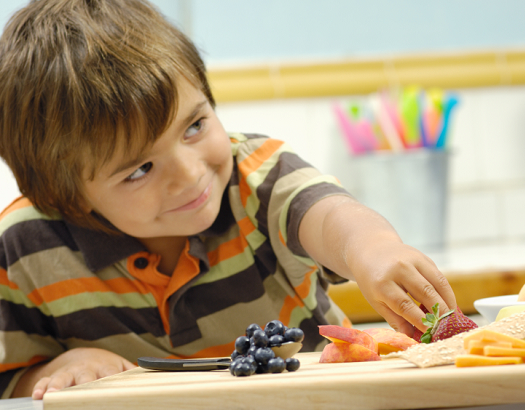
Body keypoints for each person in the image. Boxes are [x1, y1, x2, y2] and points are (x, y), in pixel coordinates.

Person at [0, 0, 457, 400]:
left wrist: (372, 251)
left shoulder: (256, 175)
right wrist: (50, 373)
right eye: (139, 169)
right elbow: (10, 380)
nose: (191, 173)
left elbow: (330, 216)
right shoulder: (23, 245)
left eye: (194, 126)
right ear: (64, 198)